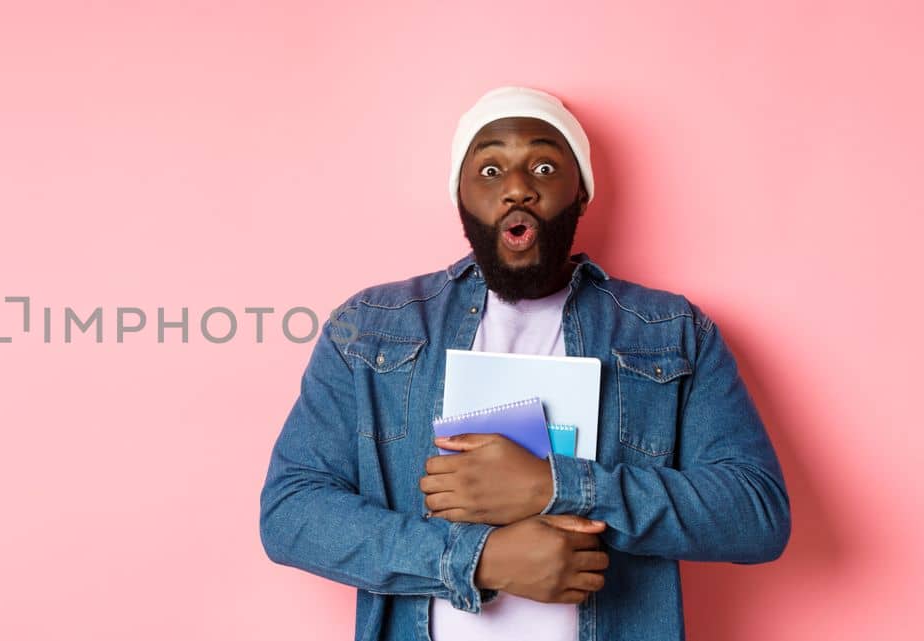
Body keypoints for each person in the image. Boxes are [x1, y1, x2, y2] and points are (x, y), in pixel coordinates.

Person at [257, 86, 790, 641]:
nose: (517, 188)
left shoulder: (671, 331)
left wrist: (555, 486)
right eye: (488, 170)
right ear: (460, 196)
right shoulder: (369, 328)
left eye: (543, 165)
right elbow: (292, 513)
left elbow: (755, 513)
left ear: (580, 192)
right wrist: (478, 559)